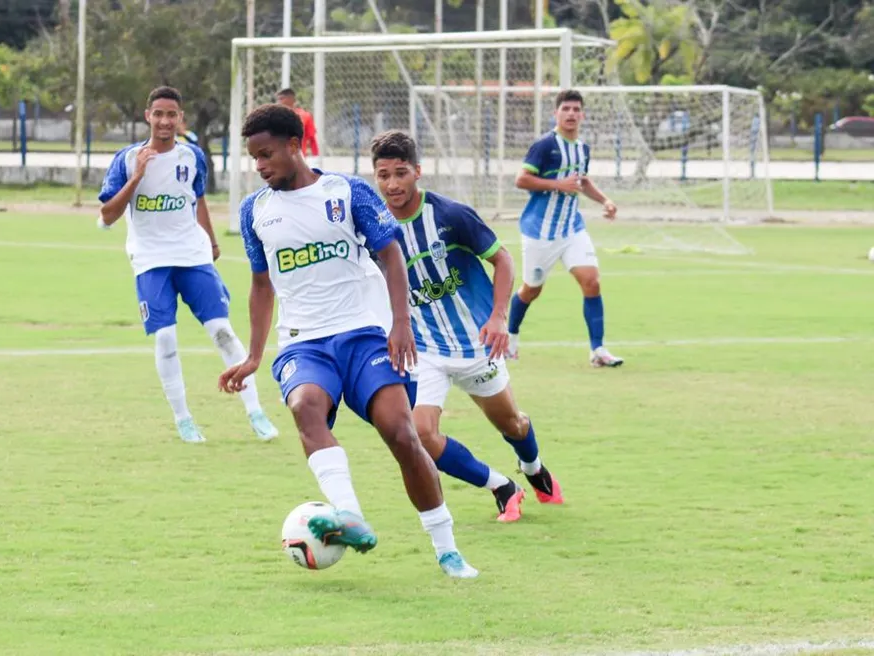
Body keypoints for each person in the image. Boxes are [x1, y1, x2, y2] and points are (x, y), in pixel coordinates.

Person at [218, 104, 478, 578]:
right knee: (305, 407)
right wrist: (254, 355)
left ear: (295, 145)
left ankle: (447, 549)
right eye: (253, 157)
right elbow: (260, 284)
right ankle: (350, 515)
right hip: (303, 343)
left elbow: (391, 255)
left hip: (363, 334)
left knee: (402, 433)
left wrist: (401, 324)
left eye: (266, 154)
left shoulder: (346, 191)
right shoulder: (255, 210)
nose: (259, 165)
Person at [370, 130, 564, 523]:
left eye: (401, 173)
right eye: (383, 175)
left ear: (418, 171)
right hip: (423, 349)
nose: (392, 184)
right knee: (420, 434)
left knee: (513, 424)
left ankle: (533, 467)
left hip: (477, 345)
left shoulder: (450, 215)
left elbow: (503, 258)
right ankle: (501, 486)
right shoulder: (373, 227)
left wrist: (498, 317)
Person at [97, 86, 279, 444]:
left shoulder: (192, 156)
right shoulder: (128, 158)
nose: (165, 121)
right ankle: (183, 419)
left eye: (171, 115)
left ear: (180, 119)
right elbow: (107, 215)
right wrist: (137, 176)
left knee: (223, 331)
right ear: (148, 116)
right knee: (165, 338)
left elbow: (197, 199)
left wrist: (211, 241)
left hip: (192, 256)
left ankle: (256, 412)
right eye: (158, 114)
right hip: (150, 260)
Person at [507, 89, 624, 368]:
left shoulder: (583, 149)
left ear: (583, 115)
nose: (571, 114)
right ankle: (509, 341)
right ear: (556, 113)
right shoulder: (544, 145)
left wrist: (605, 201)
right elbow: (521, 179)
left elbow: (581, 181)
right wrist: (557, 185)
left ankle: (598, 350)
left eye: (576, 109)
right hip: (540, 232)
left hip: (572, 229)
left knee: (591, 282)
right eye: (566, 109)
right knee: (530, 290)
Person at [275, 88, 319, 157]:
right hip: (278, 157)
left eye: (281, 99)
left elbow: (312, 139)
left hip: (298, 157)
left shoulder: (305, 116)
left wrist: (316, 156)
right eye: (277, 99)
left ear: (291, 99)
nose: (278, 102)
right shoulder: (274, 117)